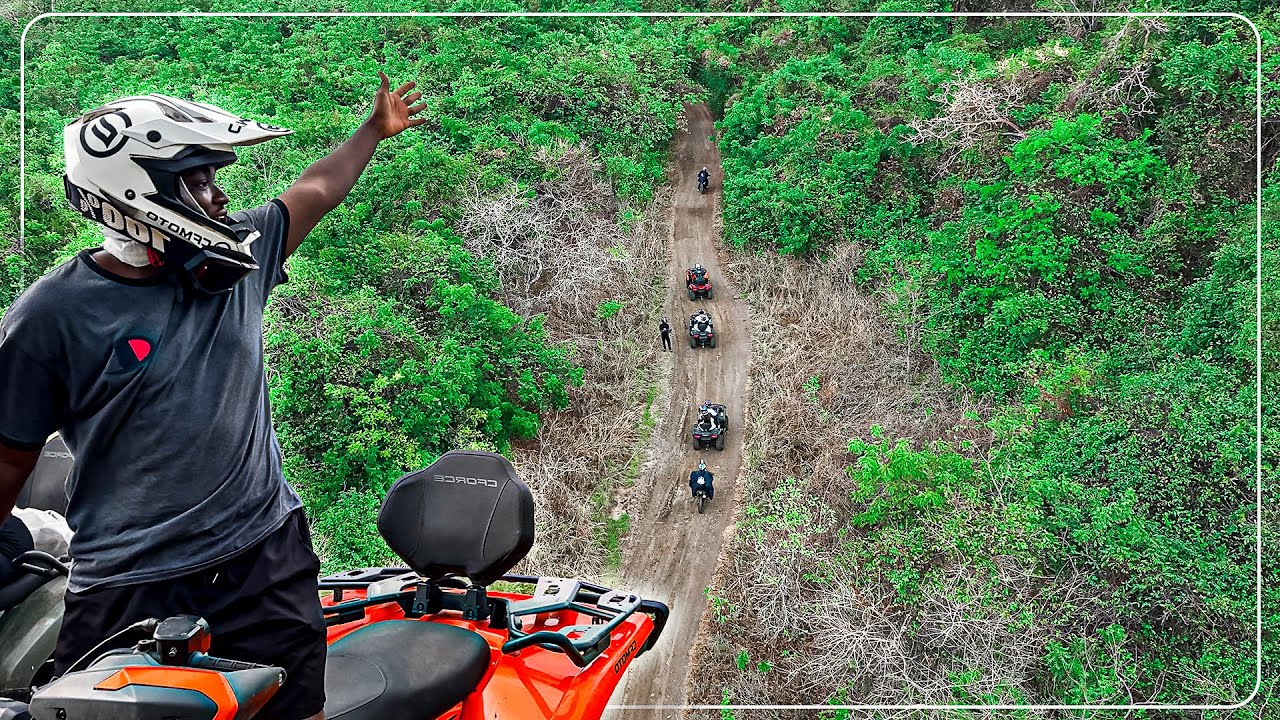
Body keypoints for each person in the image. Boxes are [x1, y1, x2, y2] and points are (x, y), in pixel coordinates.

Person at [0, 71, 426, 720]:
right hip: (128, 584)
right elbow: (9, 459)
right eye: (198, 182)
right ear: (135, 194)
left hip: (264, 561)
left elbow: (313, 190)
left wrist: (372, 132)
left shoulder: (238, 261)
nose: (220, 197)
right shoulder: (52, 317)